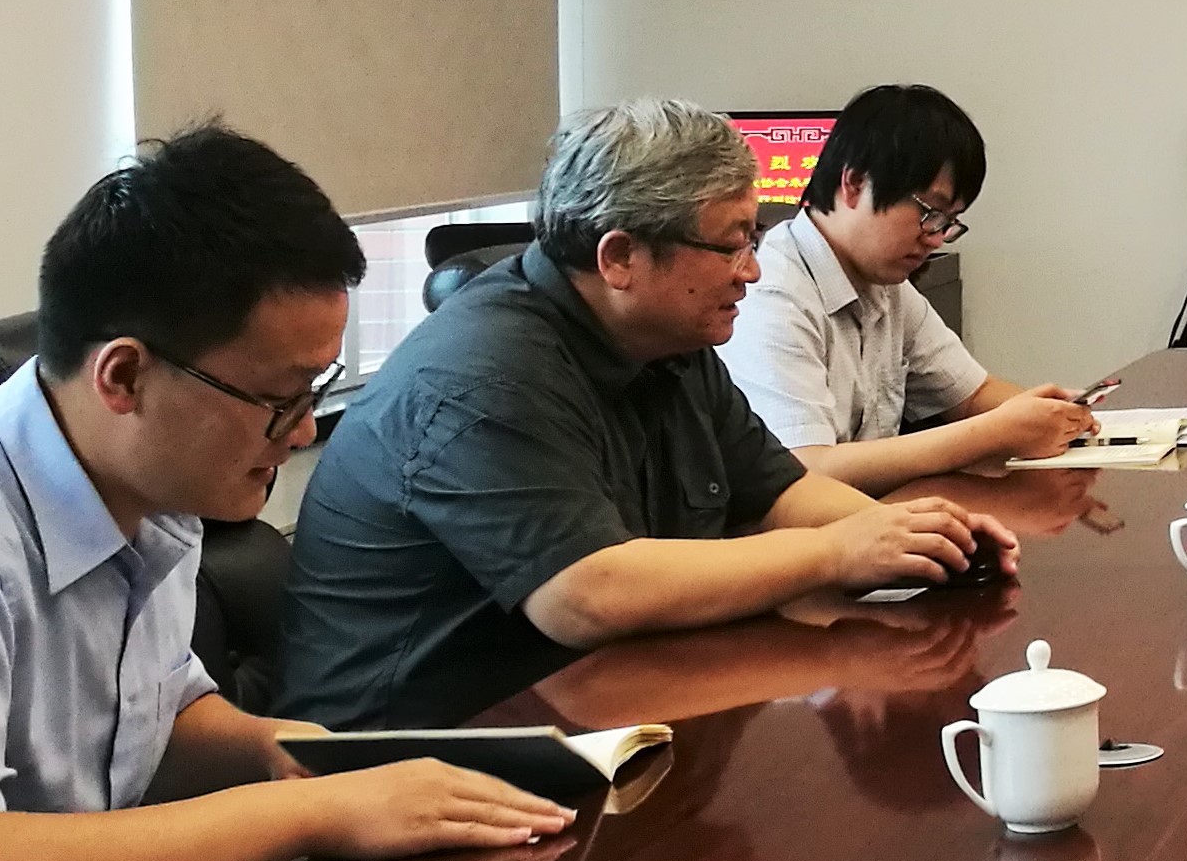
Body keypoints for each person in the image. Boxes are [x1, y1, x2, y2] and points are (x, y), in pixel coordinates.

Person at [0, 128, 571, 861]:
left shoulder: (145, 486)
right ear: (124, 377)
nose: (302, 433)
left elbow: (149, 715)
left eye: (313, 392)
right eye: (279, 399)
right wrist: (308, 813)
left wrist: (285, 746)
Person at [279, 98, 1022, 732]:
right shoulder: (482, 373)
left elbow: (778, 491)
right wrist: (839, 553)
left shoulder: (670, 339)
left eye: (753, 239)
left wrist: (920, 538)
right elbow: (588, 594)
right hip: (414, 750)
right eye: (731, 245)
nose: (752, 270)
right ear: (620, 258)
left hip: (596, 708)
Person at [715, 85, 1094, 493]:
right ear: (855, 184)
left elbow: (971, 394)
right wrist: (993, 434)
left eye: (949, 221)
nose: (936, 237)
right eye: (930, 213)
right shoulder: (774, 295)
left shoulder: (885, 283)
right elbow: (806, 468)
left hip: (871, 518)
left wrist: (1054, 419)